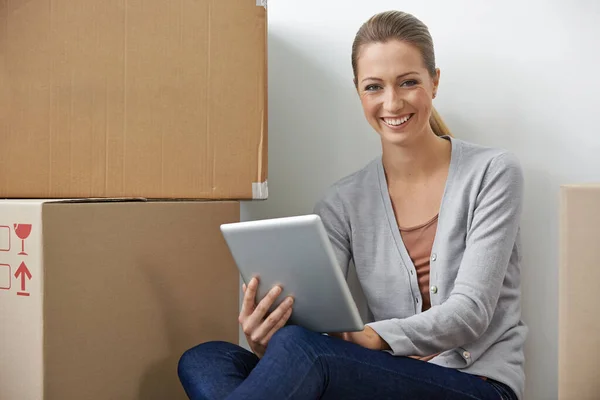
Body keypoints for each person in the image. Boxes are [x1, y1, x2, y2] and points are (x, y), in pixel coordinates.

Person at [177, 10, 527, 400]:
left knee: (300, 350)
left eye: (408, 82)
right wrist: (267, 337)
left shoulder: (492, 172)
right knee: (206, 358)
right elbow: (311, 314)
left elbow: (471, 312)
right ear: (359, 92)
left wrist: (373, 337)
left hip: (475, 386)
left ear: (435, 81)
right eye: (374, 87)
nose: (392, 103)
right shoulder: (343, 201)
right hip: (381, 379)